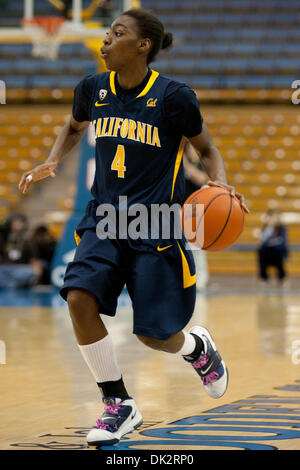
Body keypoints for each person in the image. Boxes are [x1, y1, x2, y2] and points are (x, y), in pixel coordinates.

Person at [19, 8, 249, 447]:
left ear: (142, 46)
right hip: (104, 218)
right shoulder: (91, 89)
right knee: (79, 297)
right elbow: (72, 127)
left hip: (155, 226)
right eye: (107, 33)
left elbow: (207, 147)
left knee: (154, 335)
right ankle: (117, 403)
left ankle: (196, 350)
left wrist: (219, 182)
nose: (106, 41)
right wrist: (52, 159)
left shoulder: (174, 97)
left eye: (117, 34)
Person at [183, 140, 209, 290]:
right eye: (190, 148)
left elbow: (201, 179)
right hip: (178, 209)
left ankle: (201, 279)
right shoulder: (178, 167)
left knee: (196, 249)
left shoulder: (200, 164)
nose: (194, 151)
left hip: (194, 211)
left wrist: (186, 164)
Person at [258, 209, 288, 287]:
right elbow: (262, 241)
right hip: (267, 251)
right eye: (272, 217)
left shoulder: (282, 228)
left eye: (275, 217)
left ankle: (282, 277)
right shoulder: (265, 228)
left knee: (277, 252)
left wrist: (270, 243)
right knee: (261, 251)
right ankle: (263, 277)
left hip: (278, 251)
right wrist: (269, 227)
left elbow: (282, 241)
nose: (273, 219)